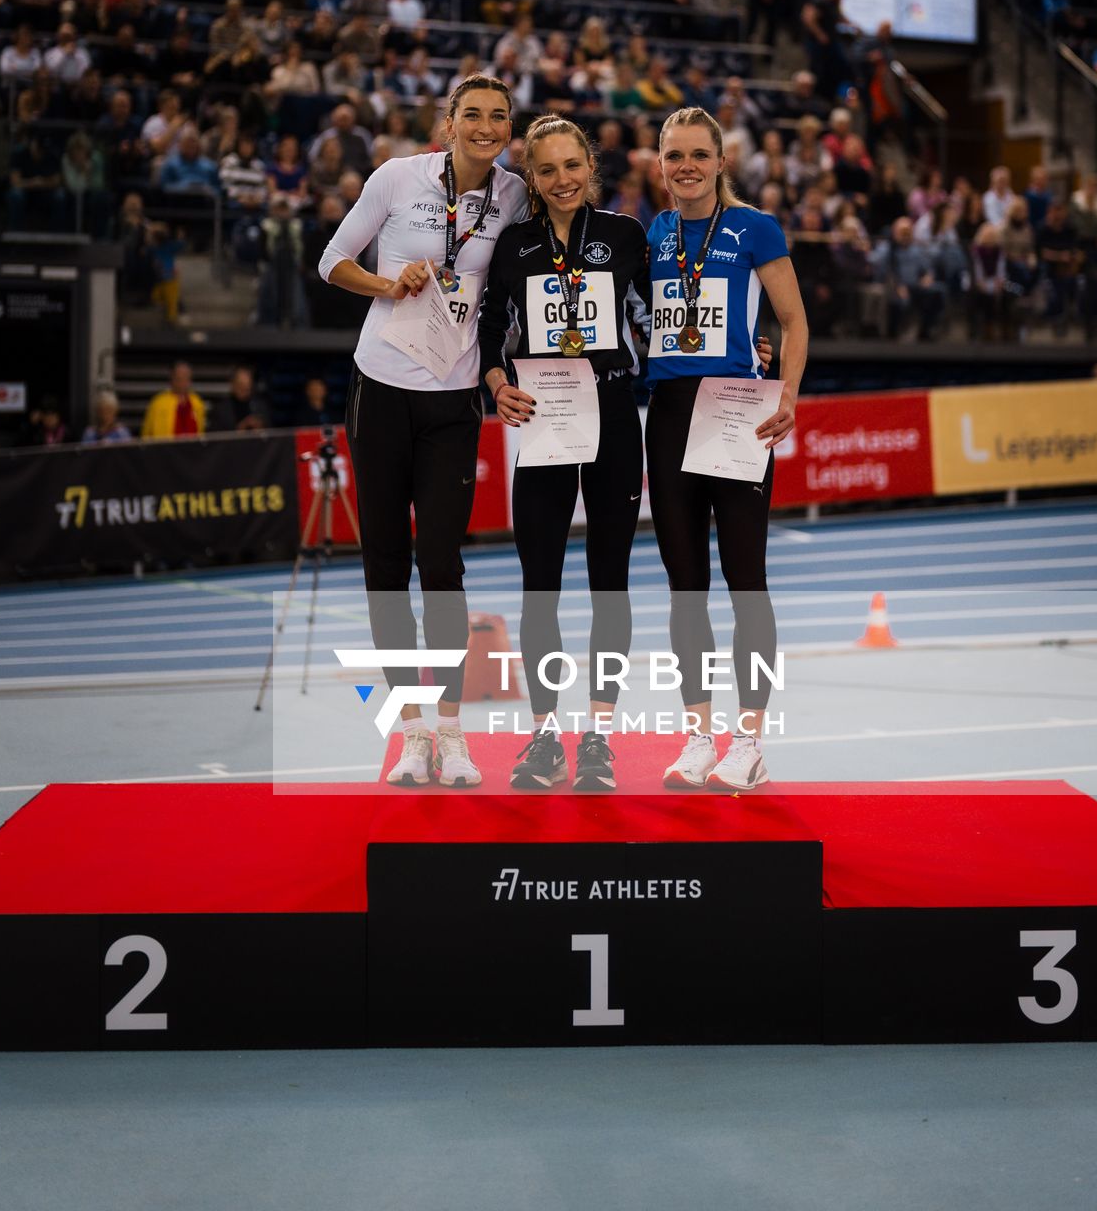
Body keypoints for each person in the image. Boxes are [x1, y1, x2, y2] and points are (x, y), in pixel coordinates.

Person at [318, 76, 528, 788]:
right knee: (385, 565)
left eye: (498, 117)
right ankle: (412, 736)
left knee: (441, 566)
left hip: (452, 398)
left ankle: (451, 732)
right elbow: (331, 261)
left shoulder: (514, 195)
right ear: (449, 121)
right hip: (379, 388)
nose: (485, 126)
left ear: (509, 128)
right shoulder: (396, 176)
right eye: (472, 114)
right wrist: (387, 284)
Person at [479, 116, 651, 794]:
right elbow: (492, 328)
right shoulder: (515, 245)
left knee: (610, 585)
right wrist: (498, 384)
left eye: (572, 165)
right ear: (531, 178)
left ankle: (599, 739)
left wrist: (750, 351)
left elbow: (666, 308)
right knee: (539, 589)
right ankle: (545, 736)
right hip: (545, 417)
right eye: (546, 170)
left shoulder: (625, 236)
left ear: (590, 166)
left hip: (612, 414)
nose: (562, 180)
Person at [645, 107, 808, 792]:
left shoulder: (754, 228)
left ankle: (749, 740)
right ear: (661, 165)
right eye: (673, 155)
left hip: (735, 413)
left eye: (697, 155)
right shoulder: (654, 233)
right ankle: (698, 737)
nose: (685, 166)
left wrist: (788, 392)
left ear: (720, 162)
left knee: (747, 583)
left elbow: (794, 320)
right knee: (686, 590)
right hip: (669, 416)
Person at [141, 360, 207, 438]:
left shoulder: (197, 402)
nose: (183, 381)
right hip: (165, 448)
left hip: (191, 448)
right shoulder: (159, 402)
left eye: (186, 376)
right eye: (179, 377)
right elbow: (146, 434)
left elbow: (201, 432)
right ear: (172, 378)